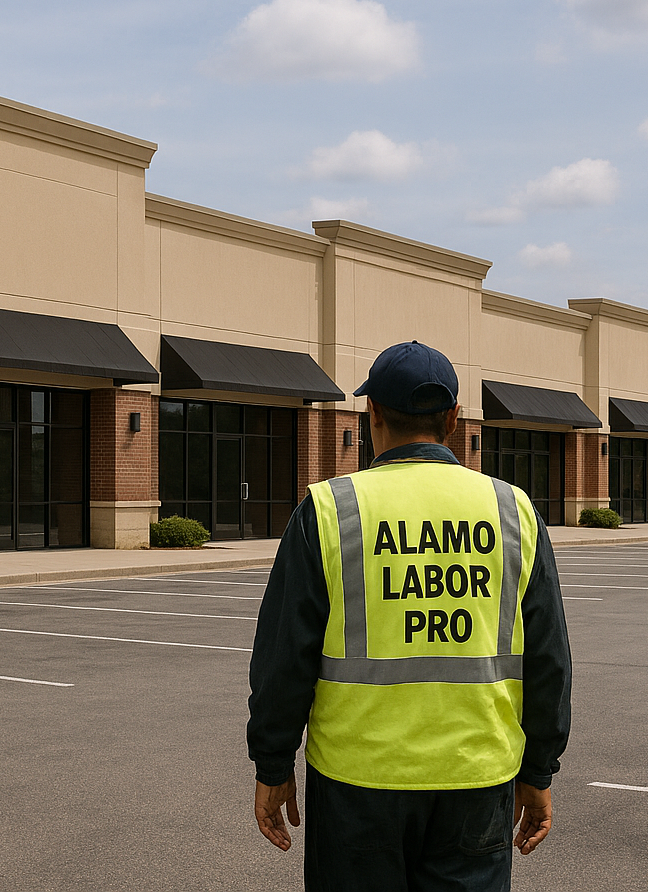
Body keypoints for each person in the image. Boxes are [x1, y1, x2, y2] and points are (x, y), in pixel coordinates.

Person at [247, 340, 572, 891]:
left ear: (371, 412)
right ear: (453, 418)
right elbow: (548, 658)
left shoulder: (330, 510)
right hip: (476, 775)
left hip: (357, 781)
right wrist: (538, 770)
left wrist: (273, 766)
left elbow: (284, 656)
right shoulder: (513, 511)